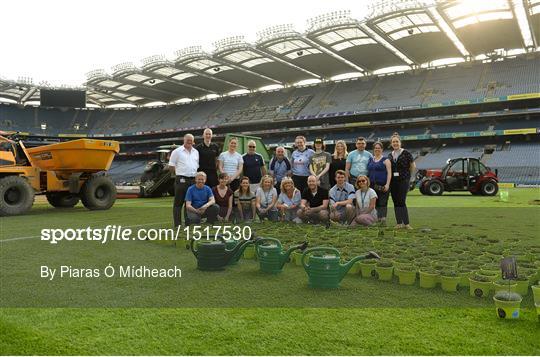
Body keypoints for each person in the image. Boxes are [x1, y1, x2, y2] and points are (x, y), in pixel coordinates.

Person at [169, 133, 199, 228]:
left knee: (189, 203)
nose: (189, 142)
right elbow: (171, 166)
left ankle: (188, 223)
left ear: (193, 141)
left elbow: (196, 165)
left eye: (191, 140)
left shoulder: (196, 152)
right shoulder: (177, 151)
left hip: (193, 180)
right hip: (181, 179)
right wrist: (177, 176)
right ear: (184, 140)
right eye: (188, 140)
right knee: (178, 203)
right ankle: (177, 224)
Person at [388, 133, 415, 230]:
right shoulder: (390, 155)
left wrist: (409, 177)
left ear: (400, 142)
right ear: (391, 143)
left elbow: (412, 166)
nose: (395, 143)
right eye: (393, 142)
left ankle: (406, 223)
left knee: (402, 201)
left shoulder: (406, 153)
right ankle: (399, 223)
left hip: (404, 180)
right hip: (393, 181)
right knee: (395, 202)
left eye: (397, 141)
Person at [367, 141, 392, 225]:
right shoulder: (370, 159)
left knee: (383, 202)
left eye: (379, 148)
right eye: (375, 148)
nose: (377, 149)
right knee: (376, 203)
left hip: (383, 184)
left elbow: (389, 173)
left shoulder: (386, 160)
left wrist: (387, 184)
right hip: (372, 185)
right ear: (373, 149)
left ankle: (383, 219)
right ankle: (378, 219)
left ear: (382, 149)